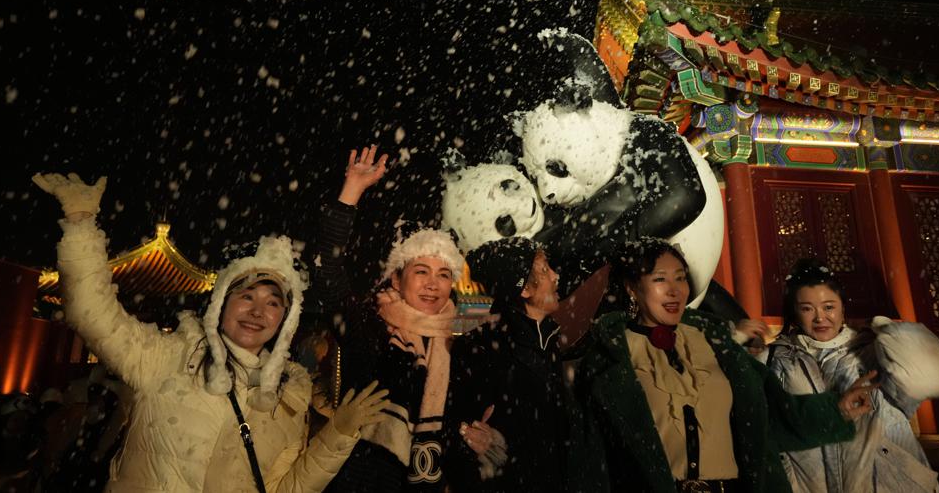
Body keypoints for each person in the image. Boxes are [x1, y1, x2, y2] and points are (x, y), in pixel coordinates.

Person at [33, 171, 389, 493]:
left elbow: (286, 490)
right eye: (245, 295)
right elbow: (92, 312)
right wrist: (81, 223)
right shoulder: (166, 356)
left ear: (286, 318)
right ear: (220, 302)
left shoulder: (289, 395)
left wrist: (336, 436)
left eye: (273, 303)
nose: (256, 312)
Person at [575, 238, 876, 493]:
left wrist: (838, 411)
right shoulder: (610, 359)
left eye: (680, 278)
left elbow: (770, 416)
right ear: (631, 288)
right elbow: (591, 457)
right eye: (659, 279)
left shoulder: (717, 345)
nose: (675, 290)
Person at [315, 146, 465, 492]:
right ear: (396, 278)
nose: (432, 284)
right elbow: (328, 272)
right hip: (360, 479)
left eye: (444, 274)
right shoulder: (369, 324)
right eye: (422, 271)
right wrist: (351, 190)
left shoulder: (458, 336)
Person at [766, 259, 939, 493]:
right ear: (795, 313)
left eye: (829, 307)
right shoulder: (779, 360)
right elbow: (773, 426)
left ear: (843, 308)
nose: (820, 318)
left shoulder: (871, 351)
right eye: (807, 308)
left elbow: (936, 376)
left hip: (886, 484)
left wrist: (886, 330)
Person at [445, 236, 581, 492]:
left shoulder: (547, 340)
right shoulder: (484, 349)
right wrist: (487, 447)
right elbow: (462, 431)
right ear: (523, 289)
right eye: (543, 270)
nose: (555, 276)